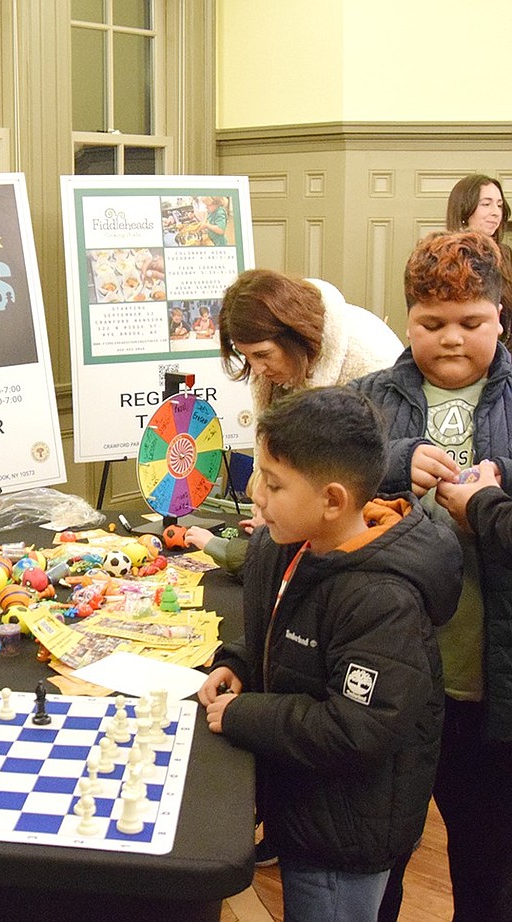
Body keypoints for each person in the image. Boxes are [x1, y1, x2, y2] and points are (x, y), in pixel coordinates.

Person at [199, 386, 460, 922]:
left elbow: (355, 728)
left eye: (273, 483)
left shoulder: (383, 600)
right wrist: (239, 662)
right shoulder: (288, 544)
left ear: (333, 500)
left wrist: (244, 714)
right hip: (302, 804)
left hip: (344, 836)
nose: (255, 494)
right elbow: (279, 631)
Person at [350, 230, 512, 922]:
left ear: (500, 315)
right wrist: (390, 464)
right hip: (391, 679)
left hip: (486, 679)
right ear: (406, 318)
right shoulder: (366, 400)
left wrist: (491, 504)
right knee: (379, 857)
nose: (451, 339)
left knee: (487, 859)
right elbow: (321, 494)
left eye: (471, 322)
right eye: (431, 323)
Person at [218, 269, 403, 417]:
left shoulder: (371, 359)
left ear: (294, 336)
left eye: (262, 355)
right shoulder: (279, 368)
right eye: (245, 355)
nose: (257, 370)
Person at [446, 173, 512, 341]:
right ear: (464, 209)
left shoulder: (506, 255)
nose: (496, 213)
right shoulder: (445, 257)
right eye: (486, 204)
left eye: (499, 205)